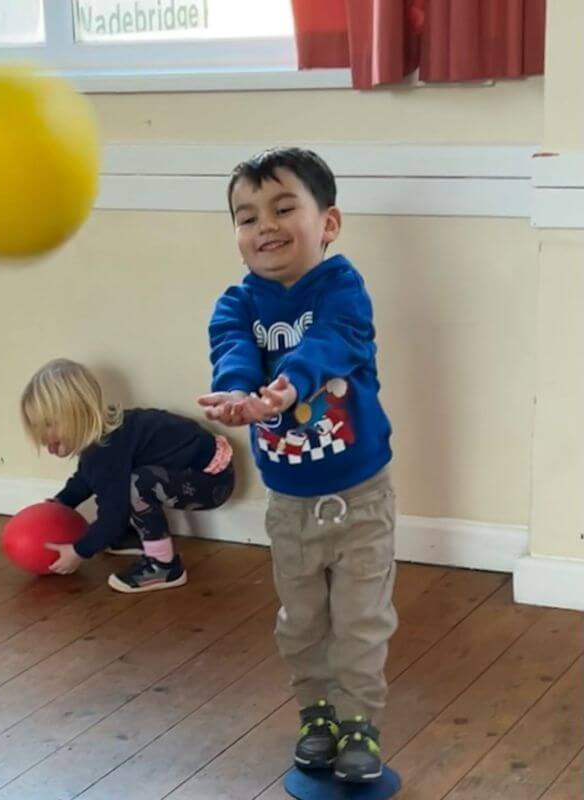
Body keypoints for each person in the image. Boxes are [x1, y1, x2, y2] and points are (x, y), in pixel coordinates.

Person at [199, 147, 396, 783]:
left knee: (361, 620)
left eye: (285, 208)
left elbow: (331, 341)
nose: (266, 227)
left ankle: (359, 720)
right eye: (247, 216)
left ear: (327, 223)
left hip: (360, 496)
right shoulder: (236, 304)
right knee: (302, 620)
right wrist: (235, 392)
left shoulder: (343, 287)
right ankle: (317, 715)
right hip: (288, 504)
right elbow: (231, 351)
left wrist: (289, 386)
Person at [20, 358, 234, 593]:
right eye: (38, 426)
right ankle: (131, 539)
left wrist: (79, 551)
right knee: (126, 484)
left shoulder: (107, 451)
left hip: (211, 481)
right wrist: (62, 504)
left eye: (49, 424)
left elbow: (114, 514)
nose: (43, 435)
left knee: (136, 486)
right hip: (197, 472)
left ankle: (164, 565)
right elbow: (86, 477)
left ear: (79, 413)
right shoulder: (104, 437)